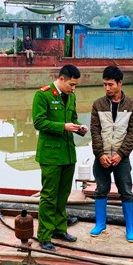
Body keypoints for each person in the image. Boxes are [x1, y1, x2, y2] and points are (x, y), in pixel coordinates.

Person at [32, 64, 87, 251]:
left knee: (63, 195)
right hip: (50, 154)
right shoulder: (43, 95)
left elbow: (73, 117)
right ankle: (45, 235)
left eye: (76, 85)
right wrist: (63, 126)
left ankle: (59, 229)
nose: (73, 88)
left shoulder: (71, 96)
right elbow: (39, 122)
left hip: (68, 153)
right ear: (61, 79)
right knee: (49, 196)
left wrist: (79, 127)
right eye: (71, 84)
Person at [89, 66, 133, 242]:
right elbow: (94, 131)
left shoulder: (132, 105)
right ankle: (100, 224)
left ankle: (130, 228)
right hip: (102, 157)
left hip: (121, 157)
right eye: (104, 85)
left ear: (120, 83)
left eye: (110, 84)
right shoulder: (98, 104)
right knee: (100, 190)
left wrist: (121, 154)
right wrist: (100, 154)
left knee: (126, 191)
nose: (107, 88)